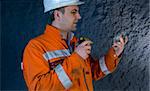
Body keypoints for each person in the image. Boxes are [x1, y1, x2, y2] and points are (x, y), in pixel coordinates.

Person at [22, 0, 128, 91]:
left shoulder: (75, 44)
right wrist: (77, 58)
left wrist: (114, 54)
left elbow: (93, 72)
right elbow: (39, 88)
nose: (79, 16)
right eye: (74, 12)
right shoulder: (36, 48)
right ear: (57, 15)